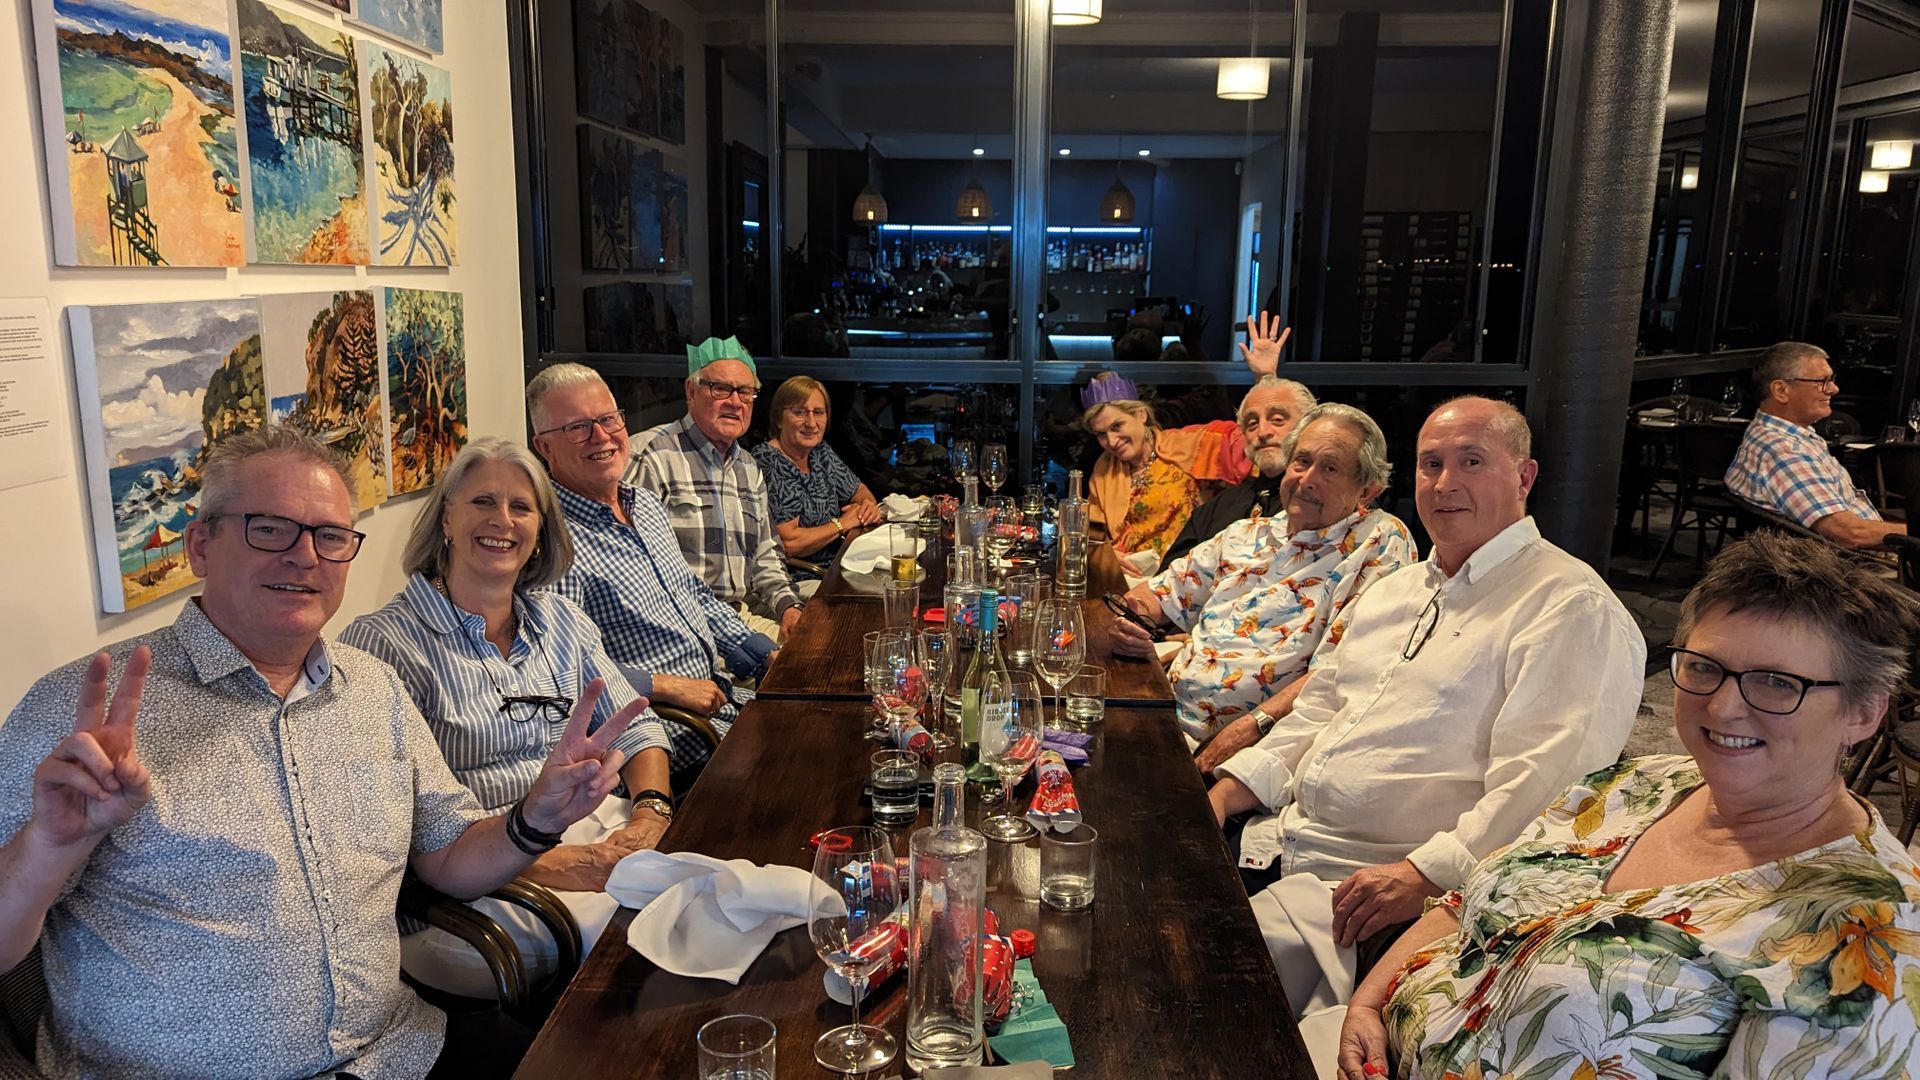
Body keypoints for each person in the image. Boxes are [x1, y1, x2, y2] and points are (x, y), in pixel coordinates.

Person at [0, 428, 642, 1078]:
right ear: (200, 545)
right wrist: (48, 845)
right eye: (269, 529)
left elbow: (448, 856)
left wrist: (535, 817)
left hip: (396, 1053)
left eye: (329, 536)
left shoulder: (372, 689)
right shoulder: (82, 714)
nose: (304, 557)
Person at [1337, 532, 1920, 1080]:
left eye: (1774, 682)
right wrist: (1369, 1001)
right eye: (1704, 667)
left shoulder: (1868, 942)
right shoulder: (1638, 785)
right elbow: (1470, 901)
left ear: (1865, 712)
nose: (1721, 708)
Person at [1205, 396, 1645, 1029]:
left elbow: (1547, 796)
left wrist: (1422, 874)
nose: (1445, 483)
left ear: (1524, 478)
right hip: (1276, 843)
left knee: (1184, 988)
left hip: (1377, 904)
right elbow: (1320, 708)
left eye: (1471, 461)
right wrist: (1230, 790)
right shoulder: (1398, 589)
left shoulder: (1568, 608)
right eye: (1430, 463)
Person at [340, 437, 675, 1000]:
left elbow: (637, 726)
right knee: (654, 948)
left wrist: (650, 814)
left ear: (540, 529)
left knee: (711, 910)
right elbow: (403, 838)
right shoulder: (382, 645)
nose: (503, 520)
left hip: (600, 840)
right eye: (482, 502)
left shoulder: (561, 619)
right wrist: (554, 861)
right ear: (446, 517)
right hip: (474, 896)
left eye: (521, 507)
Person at [528, 363, 774, 792]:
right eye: (578, 428)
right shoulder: (553, 540)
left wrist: (765, 656)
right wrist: (665, 687)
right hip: (672, 741)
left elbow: (693, 594)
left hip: (723, 705)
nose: (602, 437)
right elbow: (558, 670)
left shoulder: (642, 502)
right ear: (544, 447)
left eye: (607, 419)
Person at [1111, 404, 1416, 745]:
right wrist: (1132, 618)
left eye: (1330, 468)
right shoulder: (1244, 533)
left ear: (1368, 491)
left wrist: (1254, 727)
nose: (1307, 479)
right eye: (1301, 461)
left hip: (1250, 746)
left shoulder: (1377, 540)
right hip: (1161, 708)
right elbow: (1159, 593)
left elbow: (1339, 671)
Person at [626, 336, 805, 640]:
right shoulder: (651, 457)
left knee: (828, 653)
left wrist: (790, 608)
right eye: (720, 388)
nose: (734, 402)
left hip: (744, 616)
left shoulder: (747, 467)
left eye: (745, 392)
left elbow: (767, 556)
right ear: (691, 391)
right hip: (683, 629)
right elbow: (634, 572)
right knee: (802, 679)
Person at [1724, 340, 1902, 549]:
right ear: (1781, 390)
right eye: (1822, 381)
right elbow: (1850, 534)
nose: (1834, 389)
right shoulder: (1785, 451)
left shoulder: (1784, 436)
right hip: (1853, 571)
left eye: (1832, 380)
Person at [1160, 373, 1316, 568]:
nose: (1263, 432)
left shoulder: (1324, 502)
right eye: (1252, 424)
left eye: (1277, 420)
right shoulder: (1216, 508)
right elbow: (1165, 580)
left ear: (1310, 426)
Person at [750, 375, 883, 583]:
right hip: (802, 578)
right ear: (778, 418)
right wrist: (843, 523)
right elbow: (790, 543)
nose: (811, 423)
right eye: (799, 412)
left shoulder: (819, 452)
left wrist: (865, 508)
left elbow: (861, 492)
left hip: (841, 565)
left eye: (818, 412)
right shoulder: (771, 462)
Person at [1081, 371, 1201, 573]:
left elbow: (1249, 447)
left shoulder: (1187, 445)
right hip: (1129, 577)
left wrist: (1264, 375)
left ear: (1141, 415)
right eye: (1101, 434)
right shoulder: (1104, 466)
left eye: (1117, 426)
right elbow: (1091, 531)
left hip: (1186, 573)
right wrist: (1106, 555)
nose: (1111, 441)